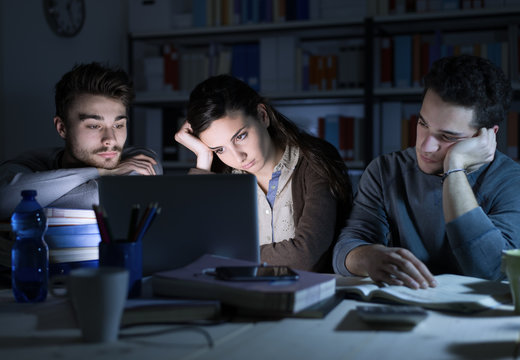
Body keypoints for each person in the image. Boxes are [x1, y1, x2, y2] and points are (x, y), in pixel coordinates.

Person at [333, 54, 520, 289]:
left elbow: (489, 269)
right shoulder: (385, 170)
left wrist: (454, 168)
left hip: (477, 319)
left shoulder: (518, 185)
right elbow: (345, 249)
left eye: (448, 137)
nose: (425, 146)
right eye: (423, 124)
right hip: (401, 310)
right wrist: (369, 257)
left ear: (487, 135)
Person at [175, 74, 352, 272]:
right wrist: (204, 157)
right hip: (244, 295)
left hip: (308, 296)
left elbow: (304, 255)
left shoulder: (314, 161)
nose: (238, 157)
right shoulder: (225, 177)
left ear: (262, 115)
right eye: (220, 149)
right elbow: (190, 249)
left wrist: (223, 256)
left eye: (240, 136)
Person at [0, 62, 163, 220]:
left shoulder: (141, 159)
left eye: (118, 125)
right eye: (94, 126)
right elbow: (3, 199)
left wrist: (24, 206)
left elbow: (112, 196)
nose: (110, 139)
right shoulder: (31, 162)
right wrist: (102, 172)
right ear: (62, 128)